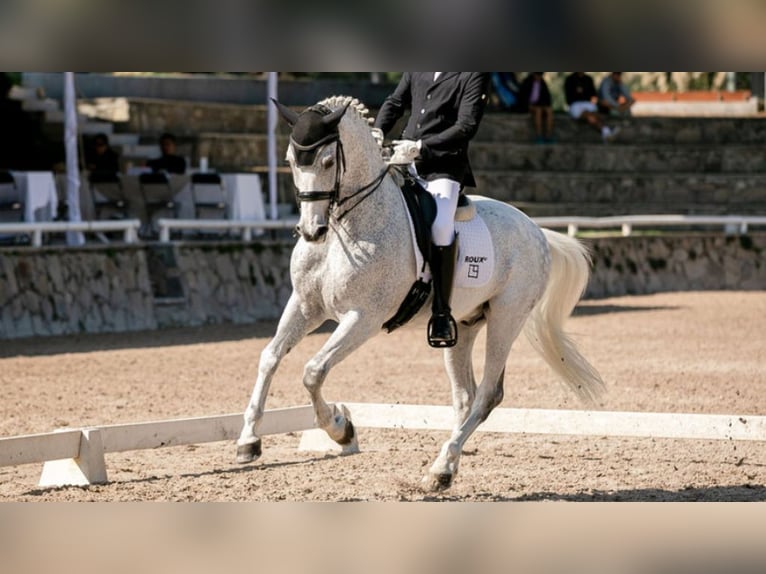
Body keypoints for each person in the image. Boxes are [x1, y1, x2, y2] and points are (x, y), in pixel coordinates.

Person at [374, 72, 491, 348]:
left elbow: (466, 125)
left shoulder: (474, 74)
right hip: (404, 158)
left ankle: (441, 311)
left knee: (440, 226)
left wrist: (422, 147)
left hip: (443, 167)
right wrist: (378, 130)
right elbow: (395, 102)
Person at [564, 72, 620, 143]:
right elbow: (568, 98)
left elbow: (593, 95)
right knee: (589, 116)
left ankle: (606, 133)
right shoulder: (570, 79)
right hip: (575, 105)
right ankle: (606, 132)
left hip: (588, 104)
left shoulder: (588, 79)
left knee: (595, 115)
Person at [518, 72, 554, 144]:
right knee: (538, 111)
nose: (539, 77)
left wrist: (544, 105)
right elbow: (521, 96)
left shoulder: (542, 83)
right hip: (527, 106)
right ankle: (539, 136)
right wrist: (528, 105)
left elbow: (547, 97)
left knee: (549, 110)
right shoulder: (527, 82)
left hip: (540, 105)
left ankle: (548, 135)